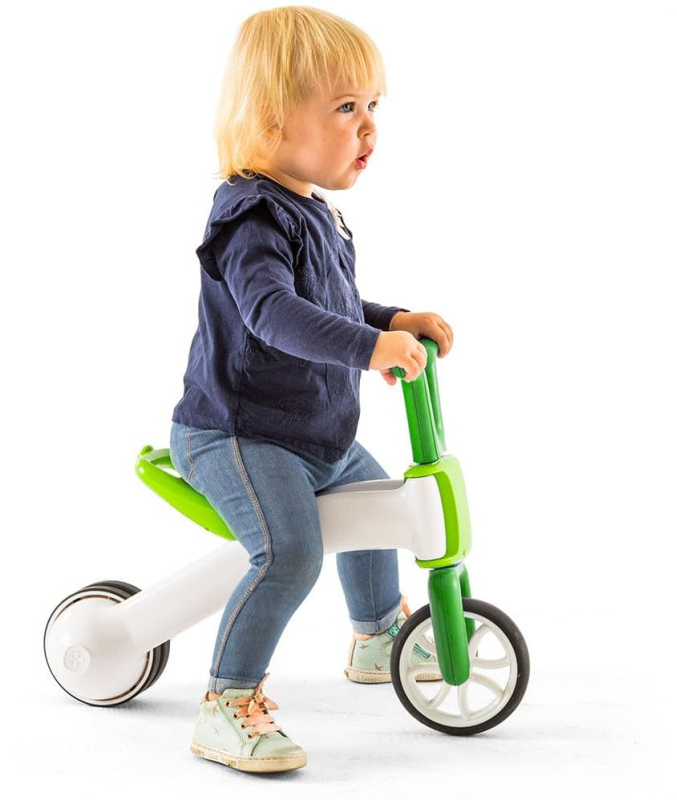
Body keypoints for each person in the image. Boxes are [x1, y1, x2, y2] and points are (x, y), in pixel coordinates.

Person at [169, 6, 453, 773]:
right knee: (290, 555)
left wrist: (391, 320)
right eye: (345, 107)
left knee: (381, 506)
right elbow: (272, 313)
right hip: (238, 432)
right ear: (270, 121)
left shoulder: (314, 212)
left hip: (312, 431)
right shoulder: (249, 215)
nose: (369, 126)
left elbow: (330, 304)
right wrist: (370, 348)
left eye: (373, 106)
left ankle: (377, 636)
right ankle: (227, 702)